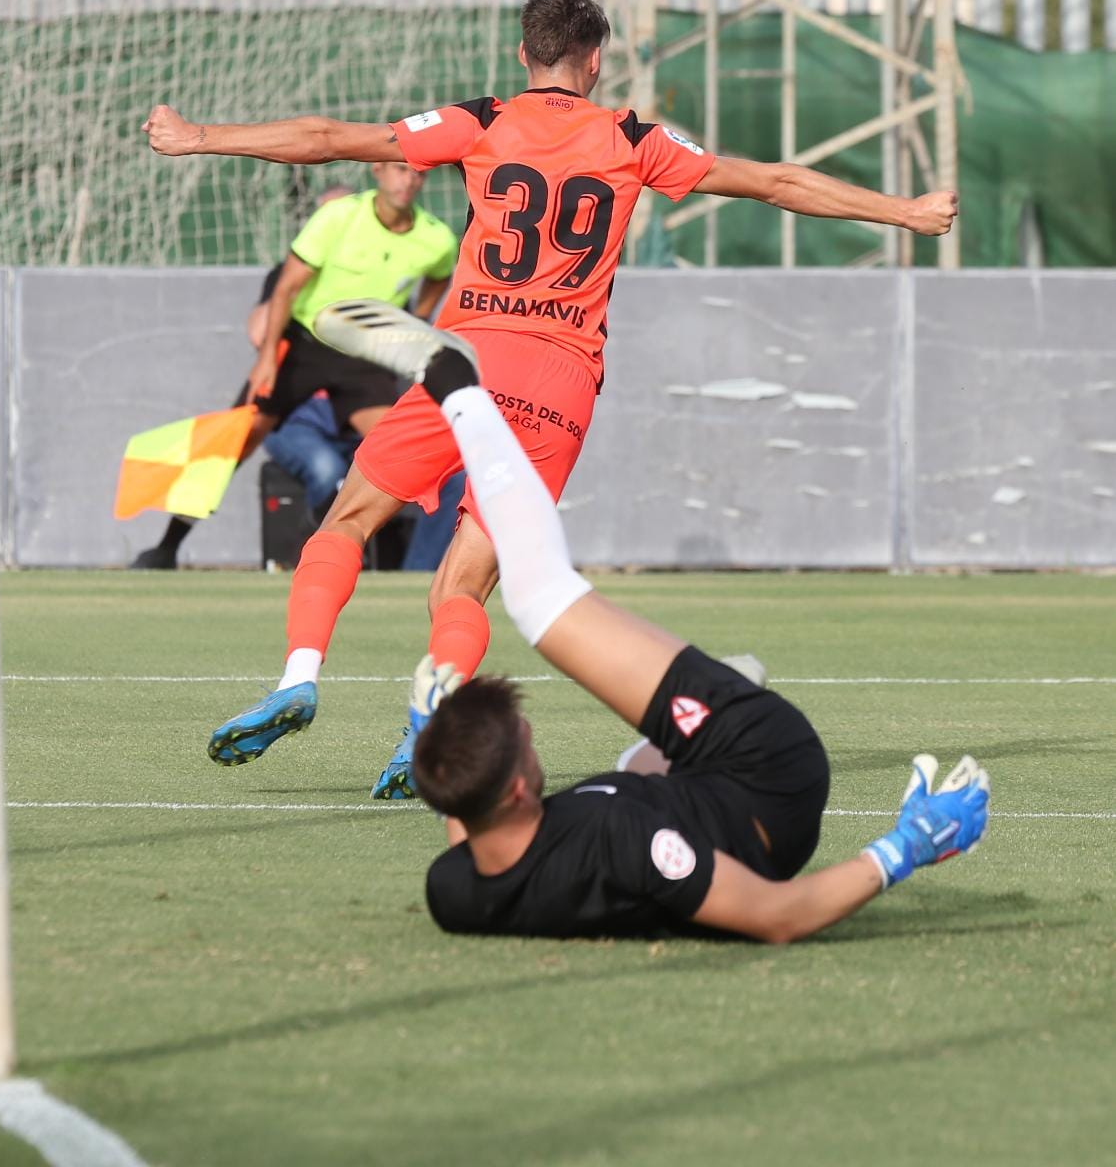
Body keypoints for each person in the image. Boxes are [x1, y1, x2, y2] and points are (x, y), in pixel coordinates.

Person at [142, 0, 959, 797]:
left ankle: (298, 675)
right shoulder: (635, 138)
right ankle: (429, 720)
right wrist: (907, 211)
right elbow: (777, 184)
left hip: (468, 364)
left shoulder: (485, 121)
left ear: (523, 54)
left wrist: (198, 136)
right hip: (559, 387)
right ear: (595, 61)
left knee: (347, 521)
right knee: (464, 581)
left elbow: (328, 139)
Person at [319, 300, 991, 942]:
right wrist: (903, 850)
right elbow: (778, 916)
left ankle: (703, 701)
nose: (527, 732)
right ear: (521, 785)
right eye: (522, 739)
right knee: (538, 595)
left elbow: (473, 834)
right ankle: (458, 387)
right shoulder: (627, 845)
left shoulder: (456, 892)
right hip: (763, 768)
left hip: (676, 790)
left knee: (628, 748)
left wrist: (440, 747)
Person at [129, 165, 458, 569]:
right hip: (303, 344)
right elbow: (286, 286)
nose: (408, 181)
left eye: (418, 175)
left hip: (363, 355)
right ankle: (167, 547)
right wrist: (267, 359)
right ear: (378, 170)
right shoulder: (338, 216)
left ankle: (402, 566)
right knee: (237, 441)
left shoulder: (437, 239)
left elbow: (440, 278)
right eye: (399, 170)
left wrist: (416, 321)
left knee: (404, 452)